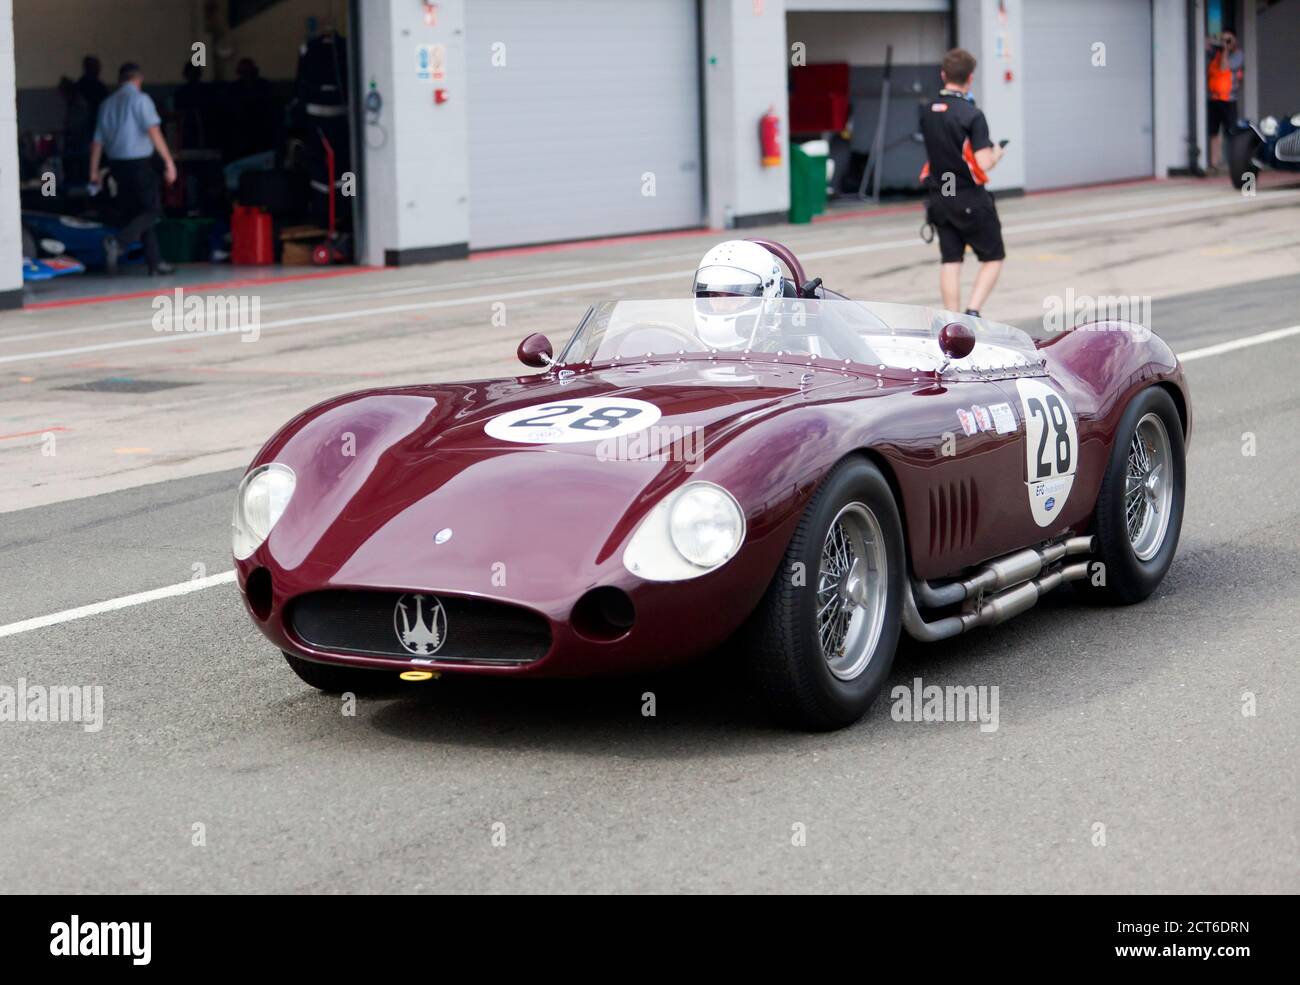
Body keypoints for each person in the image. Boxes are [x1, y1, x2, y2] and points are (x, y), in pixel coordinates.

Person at [918, 48, 1005, 318]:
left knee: (950, 259)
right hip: (969, 198)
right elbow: (984, 162)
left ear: (944, 75)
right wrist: (997, 152)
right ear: (970, 78)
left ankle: (951, 319)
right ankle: (973, 311)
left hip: (940, 197)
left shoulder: (927, 111)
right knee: (993, 257)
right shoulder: (972, 115)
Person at [89, 63, 177, 275]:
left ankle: (155, 263)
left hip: (117, 167)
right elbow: (153, 131)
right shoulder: (141, 99)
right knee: (152, 210)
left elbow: (97, 141)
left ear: (120, 80)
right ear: (139, 79)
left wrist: (93, 171)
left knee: (140, 214)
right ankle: (117, 243)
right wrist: (168, 161)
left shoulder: (107, 104)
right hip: (139, 164)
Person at [1206, 31, 1244, 174]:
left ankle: (1234, 163)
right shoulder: (1215, 54)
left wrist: (1225, 51)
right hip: (1214, 99)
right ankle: (1214, 164)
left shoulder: (1238, 55)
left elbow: (1224, 68)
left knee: (1231, 132)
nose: (1225, 43)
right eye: (1223, 40)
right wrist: (1214, 41)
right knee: (1214, 132)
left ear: (1235, 41)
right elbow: (1205, 45)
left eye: (1229, 40)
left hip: (1228, 100)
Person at [75, 55, 109, 120]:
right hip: (89, 120)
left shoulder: (99, 85)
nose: (98, 69)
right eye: (94, 67)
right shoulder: (81, 85)